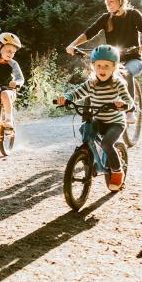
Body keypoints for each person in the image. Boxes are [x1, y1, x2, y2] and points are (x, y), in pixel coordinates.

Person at [65, 0, 142, 124]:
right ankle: (88, 115)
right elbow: (89, 33)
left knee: (126, 72)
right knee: (94, 78)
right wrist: (73, 45)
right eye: (106, 1)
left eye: (111, 1)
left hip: (133, 59)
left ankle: (130, 110)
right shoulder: (106, 18)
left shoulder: (133, 14)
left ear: (122, 0)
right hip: (113, 61)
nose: (108, 4)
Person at [56, 44, 134, 191]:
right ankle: (87, 156)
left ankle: (117, 171)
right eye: (98, 65)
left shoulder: (118, 84)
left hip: (115, 123)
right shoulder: (92, 83)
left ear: (114, 67)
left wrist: (123, 104)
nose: (102, 69)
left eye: (106, 66)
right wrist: (66, 97)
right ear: (93, 66)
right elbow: (76, 93)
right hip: (99, 120)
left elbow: (129, 101)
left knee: (106, 144)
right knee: (85, 129)